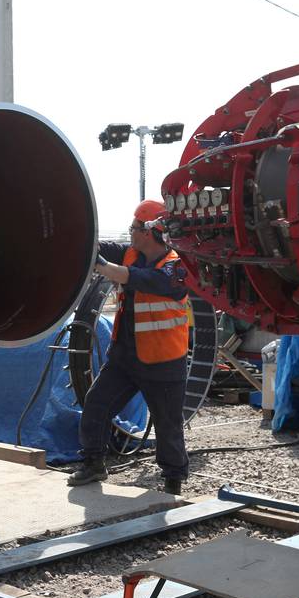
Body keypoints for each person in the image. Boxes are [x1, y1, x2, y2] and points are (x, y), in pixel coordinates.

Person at [68, 199, 190, 495]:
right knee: (97, 403)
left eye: (134, 227)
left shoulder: (176, 269)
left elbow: (138, 279)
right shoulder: (129, 252)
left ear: (148, 231)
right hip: (125, 356)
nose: (130, 232)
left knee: (167, 424)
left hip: (163, 361)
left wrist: (102, 266)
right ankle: (93, 462)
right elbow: (95, 247)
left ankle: (173, 479)